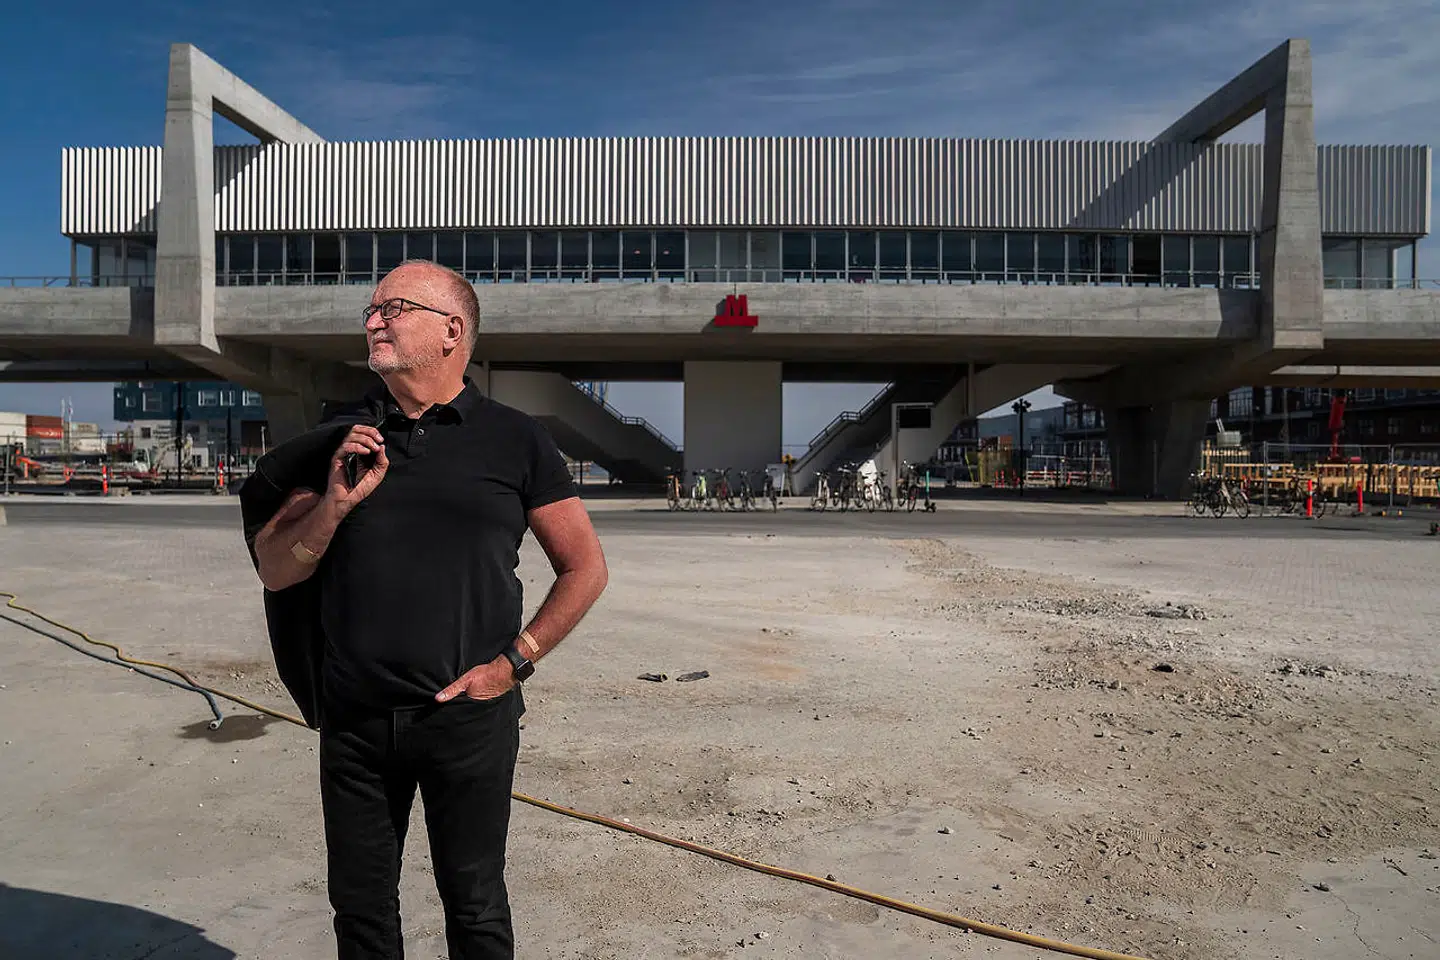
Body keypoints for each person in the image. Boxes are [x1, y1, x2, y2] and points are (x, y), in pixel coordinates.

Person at [248, 259, 608, 959]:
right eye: (372, 309)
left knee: (475, 906)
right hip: (354, 723)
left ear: (451, 331)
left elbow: (584, 567)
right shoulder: (338, 439)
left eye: (394, 307)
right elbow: (275, 568)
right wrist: (333, 505)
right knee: (360, 910)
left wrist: (514, 663)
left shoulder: (516, 438)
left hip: (469, 721)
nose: (373, 320)